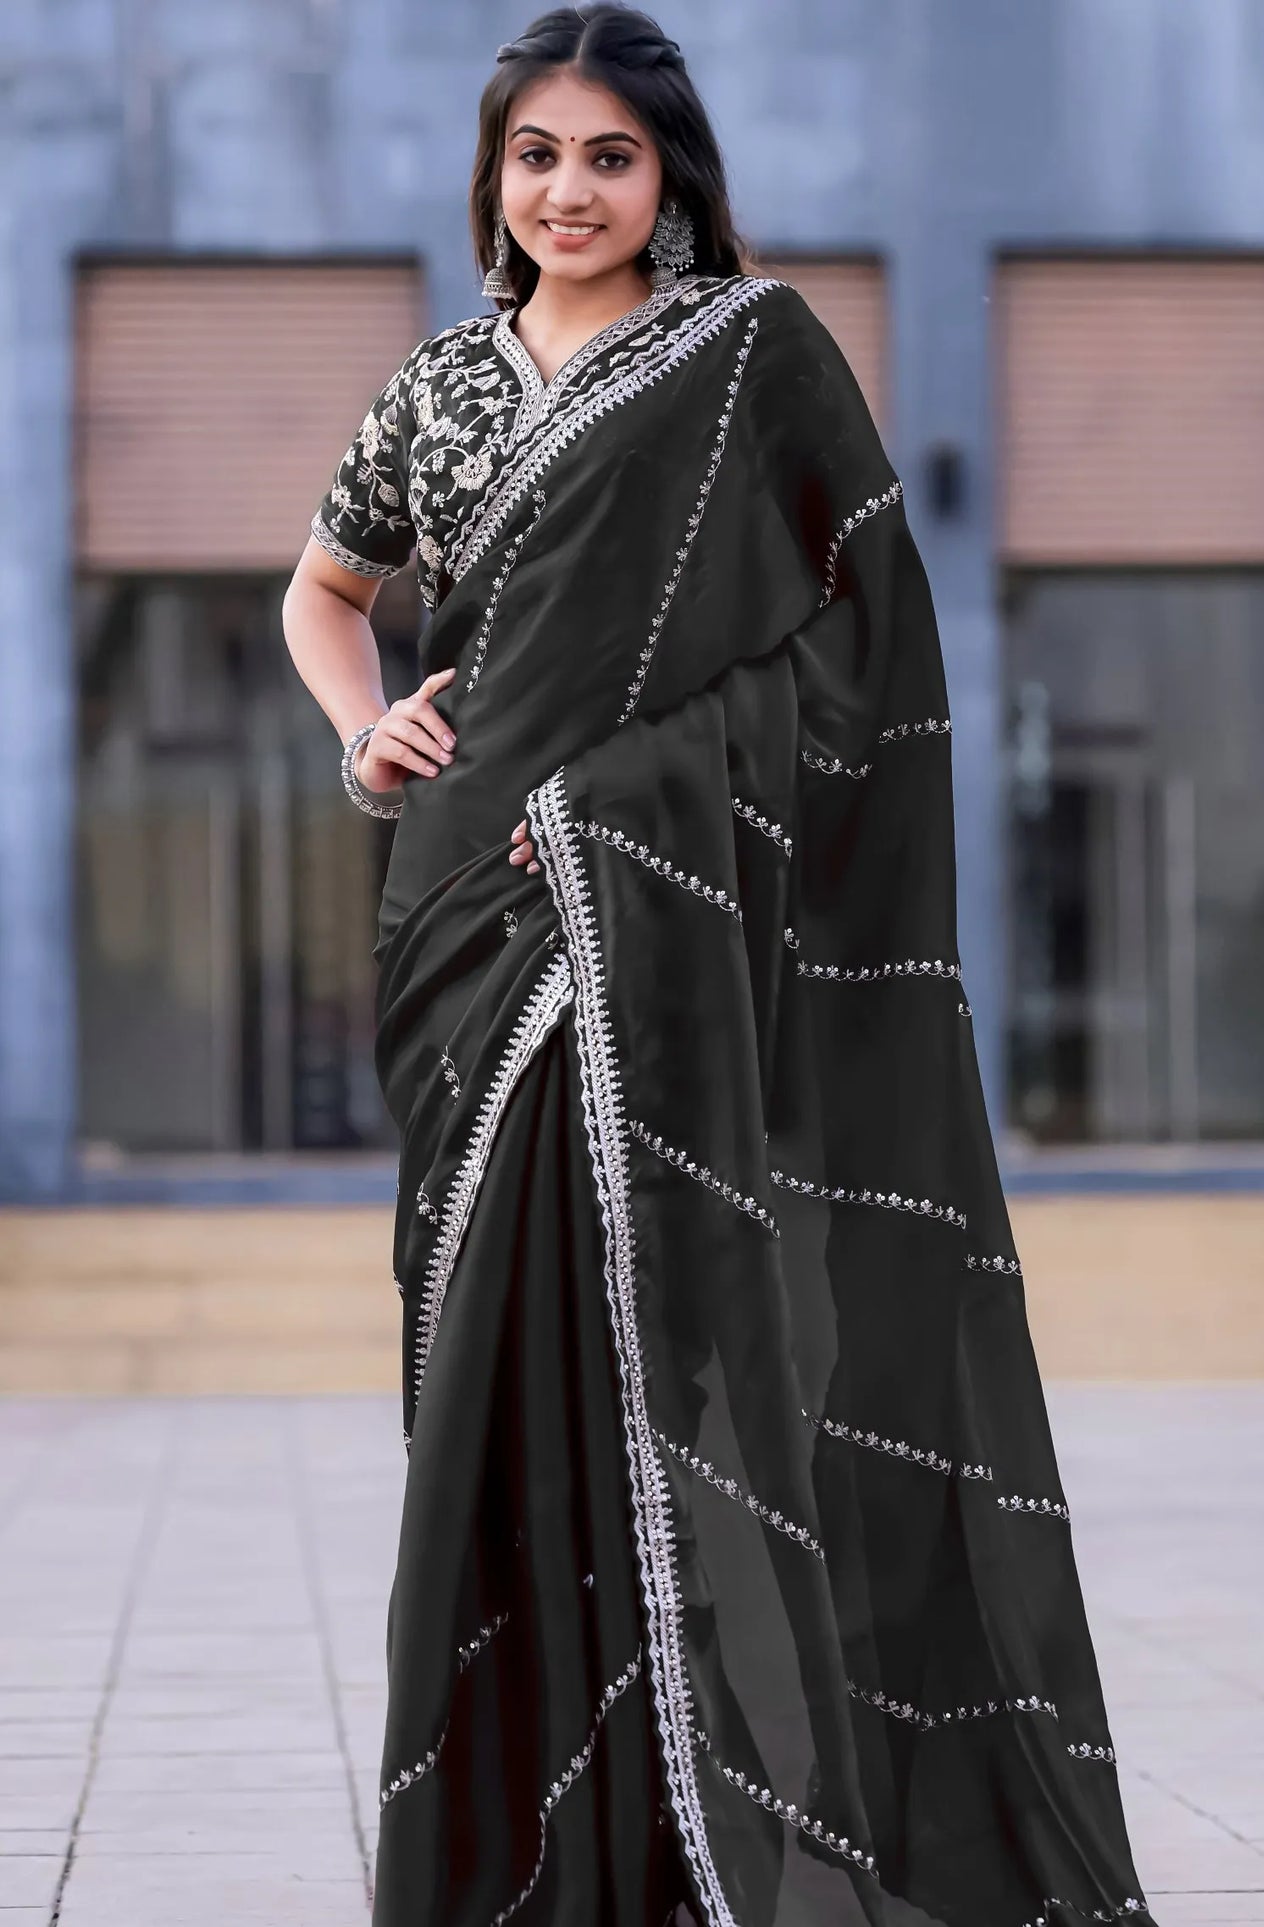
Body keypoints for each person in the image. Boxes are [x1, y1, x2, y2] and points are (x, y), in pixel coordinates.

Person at [282, 8, 1158, 1924]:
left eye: (610, 155)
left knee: (676, 1342)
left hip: (649, 906)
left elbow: (859, 654)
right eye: (537, 156)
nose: (571, 191)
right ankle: (535, 1844)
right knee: (493, 1367)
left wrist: (629, 798)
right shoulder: (439, 384)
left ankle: (708, 1835)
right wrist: (366, 732)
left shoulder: (749, 357)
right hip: (464, 923)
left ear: (668, 171)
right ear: (492, 175)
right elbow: (324, 584)